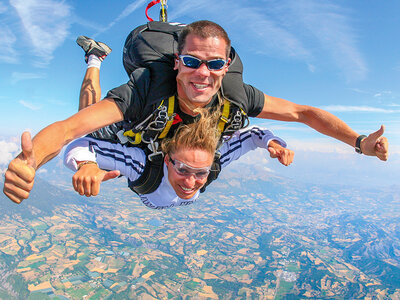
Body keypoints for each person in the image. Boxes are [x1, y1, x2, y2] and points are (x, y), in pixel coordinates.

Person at [3, 20, 388, 204]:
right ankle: (94, 58)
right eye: (191, 60)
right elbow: (70, 129)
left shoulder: (236, 95)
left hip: (170, 145)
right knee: (88, 116)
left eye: (215, 64)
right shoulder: (146, 88)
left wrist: (359, 143)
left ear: (227, 64)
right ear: (175, 63)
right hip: (136, 130)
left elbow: (304, 113)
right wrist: (32, 160)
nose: (203, 73)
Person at [63, 109, 293, 209]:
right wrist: (87, 164)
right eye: (183, 169)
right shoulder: (143, 165)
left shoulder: (214, 163)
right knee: (89, 116)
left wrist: (274, 144)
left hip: (151, 190)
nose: (191, 183)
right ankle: (95, 58)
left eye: (201, 172)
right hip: (145, 172)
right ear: (166, 160)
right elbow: (79, 144)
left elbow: (252, 135)